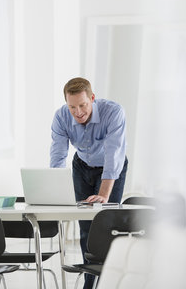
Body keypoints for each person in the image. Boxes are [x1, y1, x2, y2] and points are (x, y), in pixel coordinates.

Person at [50, 77, 128, 289]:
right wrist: (54, 192)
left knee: (105, 225)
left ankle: (108, 281)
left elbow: (113, 156)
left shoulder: (114, 112)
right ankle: (89, 282)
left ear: (92, 98)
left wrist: (104, 194)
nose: (78, 112)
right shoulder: (61, 117)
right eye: (72, 107)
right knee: (85, 227)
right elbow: (58, 157)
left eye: (83, 105)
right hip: (82, 165)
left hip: (111, 168)